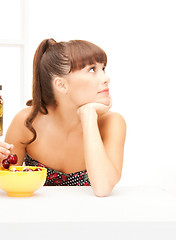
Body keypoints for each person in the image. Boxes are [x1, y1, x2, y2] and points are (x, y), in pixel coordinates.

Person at [0, 39, 126, 197]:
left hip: (92, 218)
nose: (107, 78)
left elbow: (103, 188)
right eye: (92, 70)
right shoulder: (26, 122)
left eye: (103, 68)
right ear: (61, 85)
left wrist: (88, 115)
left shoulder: (112, 123)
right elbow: (8, 185)